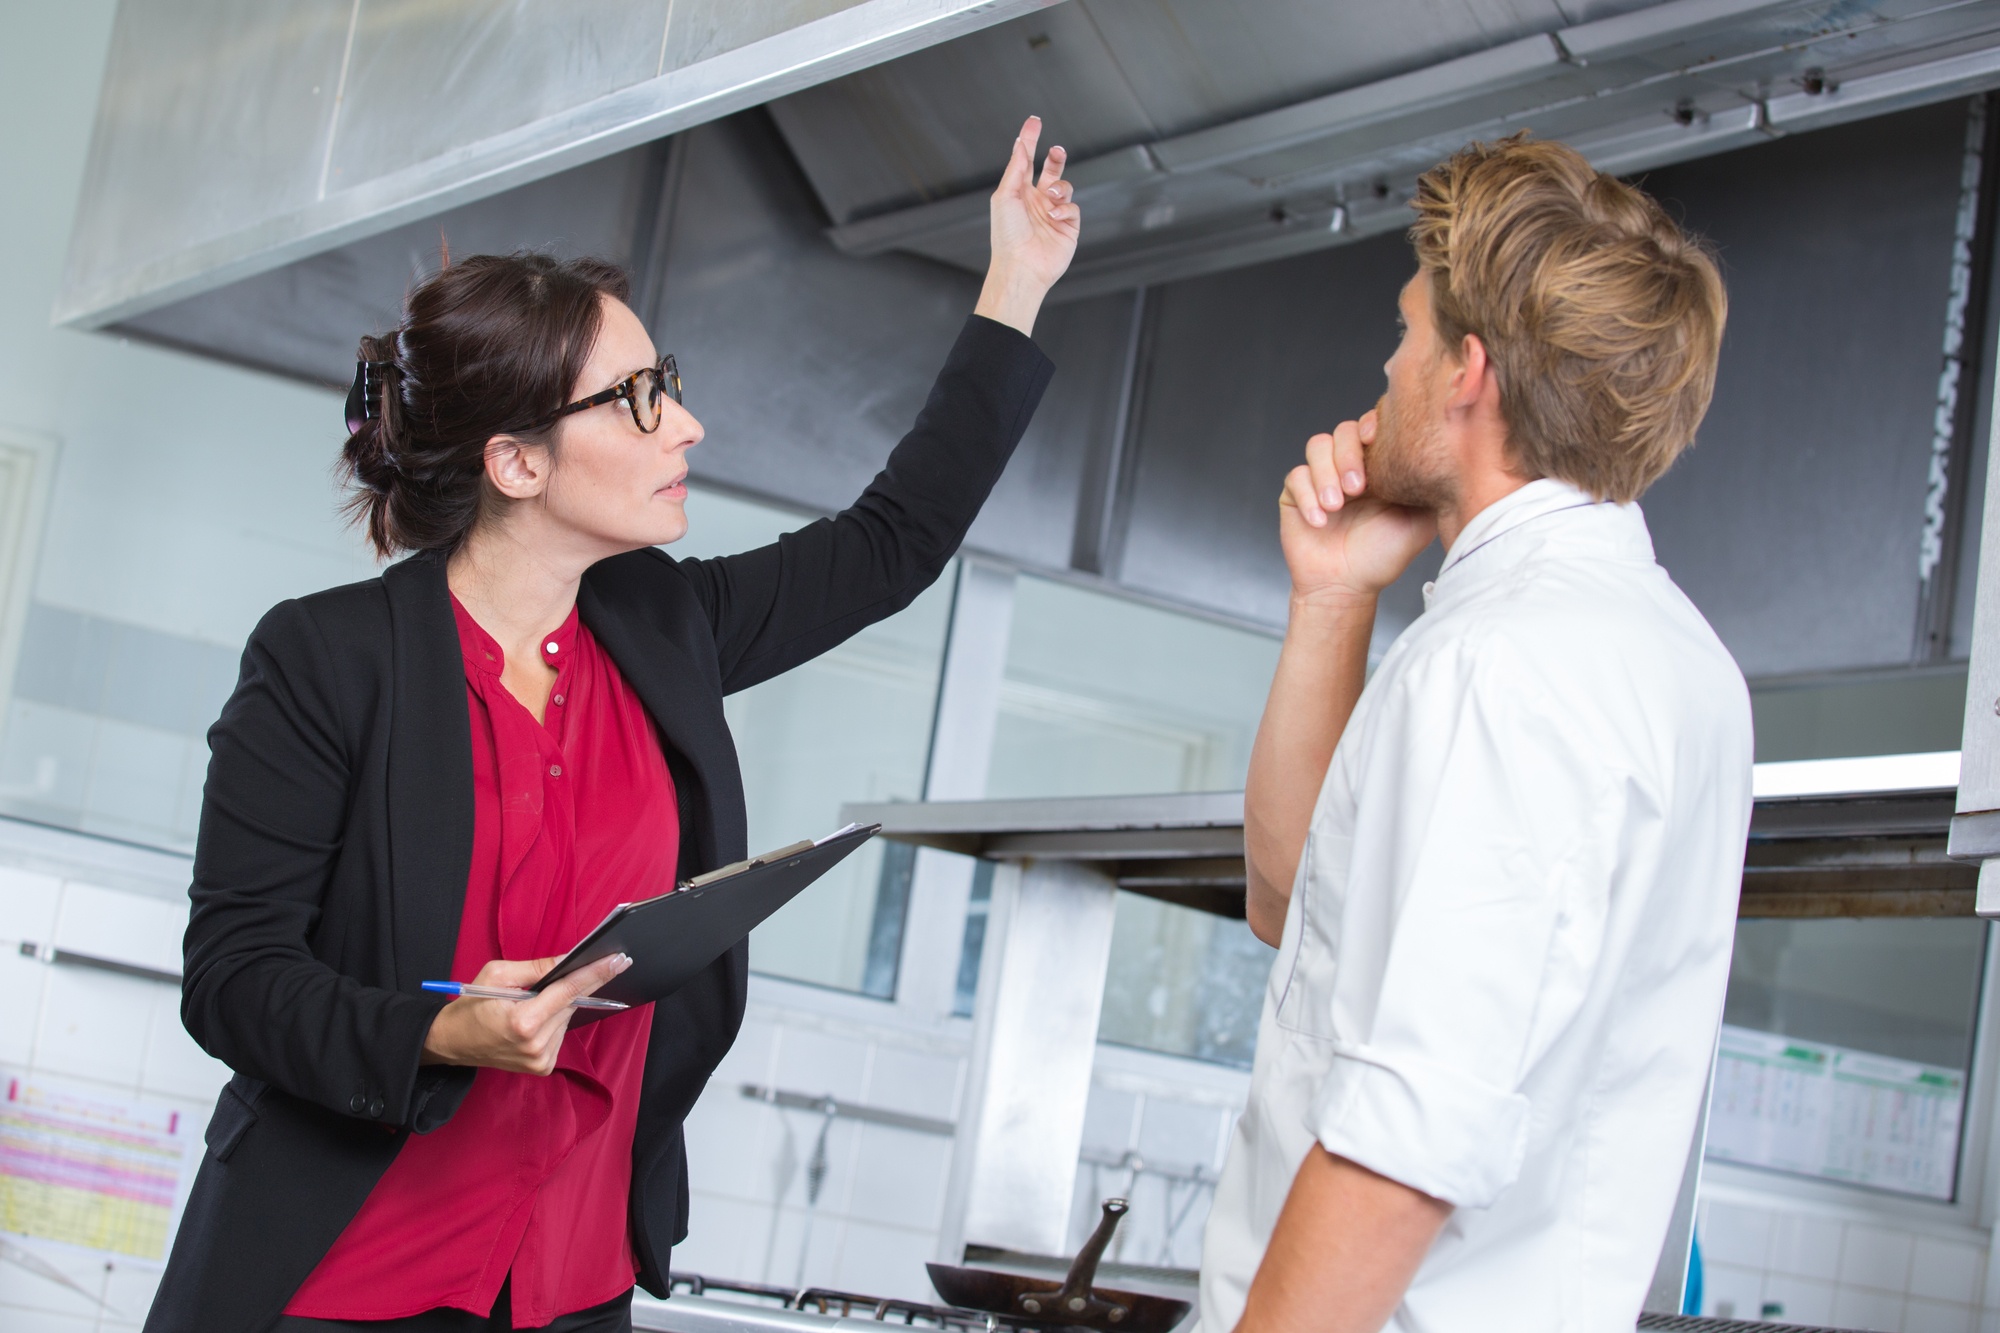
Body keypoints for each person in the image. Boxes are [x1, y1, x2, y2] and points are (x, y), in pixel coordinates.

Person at [144, 116, 1079, 1333]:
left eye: (666, 384)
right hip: (341, 1284)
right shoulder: (326, 659)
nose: (683, 424)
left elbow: (889, 545)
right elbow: (233, 981)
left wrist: (1016, 282)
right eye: (638, 400)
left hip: (569, 1283)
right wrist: (440, 1029)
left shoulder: (663, 627)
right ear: (517, 464)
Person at [1198, 135, 1752, 1333]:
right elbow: (1294, 908)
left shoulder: (1503, 664)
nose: (1385, 367)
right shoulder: (1671, 655)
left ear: (1467, 371)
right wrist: (1333, 596)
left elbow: (1407, 1142)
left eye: (1404, 333)